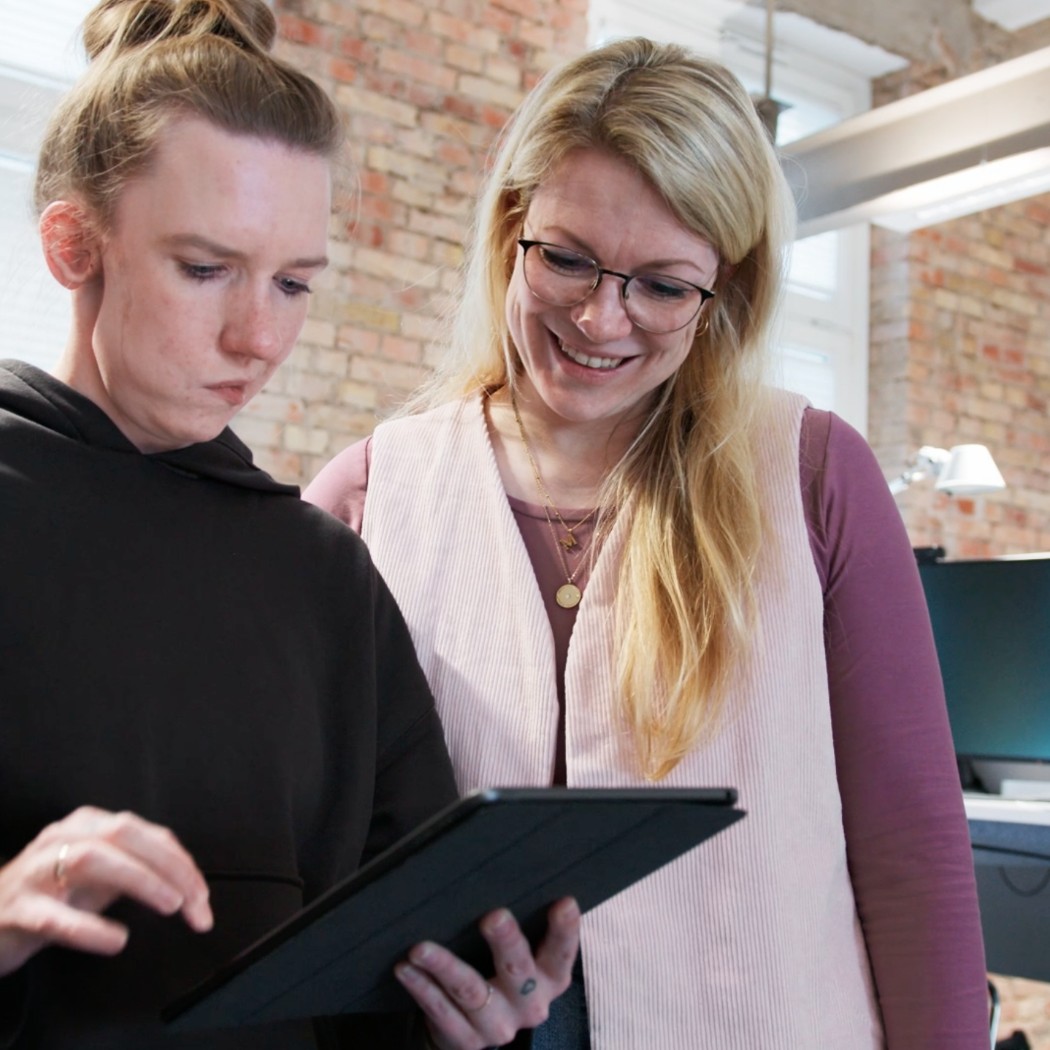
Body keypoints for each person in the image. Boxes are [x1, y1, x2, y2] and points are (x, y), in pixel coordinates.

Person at [304, 35, 991, 1050]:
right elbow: (312, 868)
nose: (600, 317)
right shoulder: (372, 493)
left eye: (664, 285)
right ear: (511, 230)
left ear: (728, 287)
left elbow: (913, 856)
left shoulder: (810, 475)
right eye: (567, 258)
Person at [0, 2, 580, 1047]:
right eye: (205, 268)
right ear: (74, 244)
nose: (259, 336)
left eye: (295, 283)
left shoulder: (327, 578)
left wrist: (473, 1015)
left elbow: (387, 969)